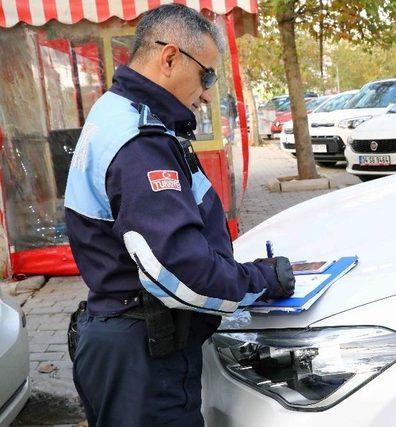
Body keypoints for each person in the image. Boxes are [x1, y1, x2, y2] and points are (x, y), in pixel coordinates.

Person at [64, 5, 295, 427]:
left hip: (124, 341)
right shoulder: (141, 142)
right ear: (169, 57)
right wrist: (262, 280)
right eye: (206, 75)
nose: (207, 93)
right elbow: (182, 271)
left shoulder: (118, 112)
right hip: (144, 356)